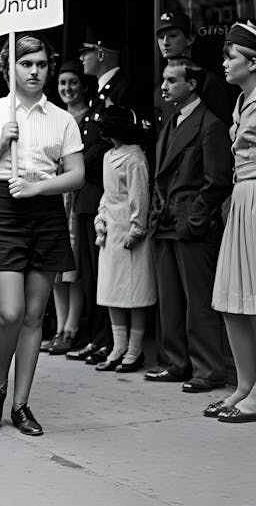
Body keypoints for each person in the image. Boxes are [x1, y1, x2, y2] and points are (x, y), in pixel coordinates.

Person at [0, 34, 84, 436]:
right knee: (9, 313)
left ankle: (21, 404)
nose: (35, 72)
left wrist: (38, 188)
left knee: (34, 316)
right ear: (8, 68)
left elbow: (77, 174)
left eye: (42, 65)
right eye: (26, 64)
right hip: (2, 207)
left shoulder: (62, 118)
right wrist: (0, 144)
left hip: (44, 209)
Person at [145, 57, 233, 392]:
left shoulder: (209, 124)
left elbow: (218, 180)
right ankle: (177, 363)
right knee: (170, 300)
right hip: (166, 221)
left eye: (171, 81)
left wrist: (196, 214)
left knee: (198, 301)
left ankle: (208, 369)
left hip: (192, 224)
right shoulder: (172, 120)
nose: (164, 87)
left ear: (191, 84)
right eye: (164, 80)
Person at [68, 31, 129, 365]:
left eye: (86, 52)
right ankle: (98, 335)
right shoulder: (100, 92)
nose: (82, 58)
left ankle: (107, 337)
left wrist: (76, 163)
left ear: (102, 52)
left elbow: (110, 140)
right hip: (89, 192)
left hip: (102, 190)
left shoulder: (120, 88)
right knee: (90, 273)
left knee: (101, 272)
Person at [210, 21, 256, 421]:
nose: (224, 62)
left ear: (253, 62)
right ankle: (244, 385)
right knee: (233, 301)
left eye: (231, 56)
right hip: (241, 199)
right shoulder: (242, 101)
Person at [93, 105, 155, 373]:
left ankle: (135, 348)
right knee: (112, 291)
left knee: (134, 292)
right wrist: (101, 217)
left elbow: (139, 195)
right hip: (111, 230)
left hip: (129, 230)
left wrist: (136, 229)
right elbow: (108, 194)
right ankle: (118, 345)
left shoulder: (135, 158)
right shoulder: (109, 156)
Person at [42, 62, 95, 356]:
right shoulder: (54, 118)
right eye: (62, 83)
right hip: (54, 199)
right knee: (54, 271)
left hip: (76, 200)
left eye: (73, 82)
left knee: (73, 269)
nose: (67, 89)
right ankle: (59, 328)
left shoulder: (90, 118)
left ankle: (72, 328)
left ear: (83, 85)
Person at [153, 11, 235, 129]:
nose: (165, 42)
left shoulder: (209, 83)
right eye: (161, 37)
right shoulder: (160, 90)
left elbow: (220, 131)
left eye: (173, 36)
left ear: (190, 39)